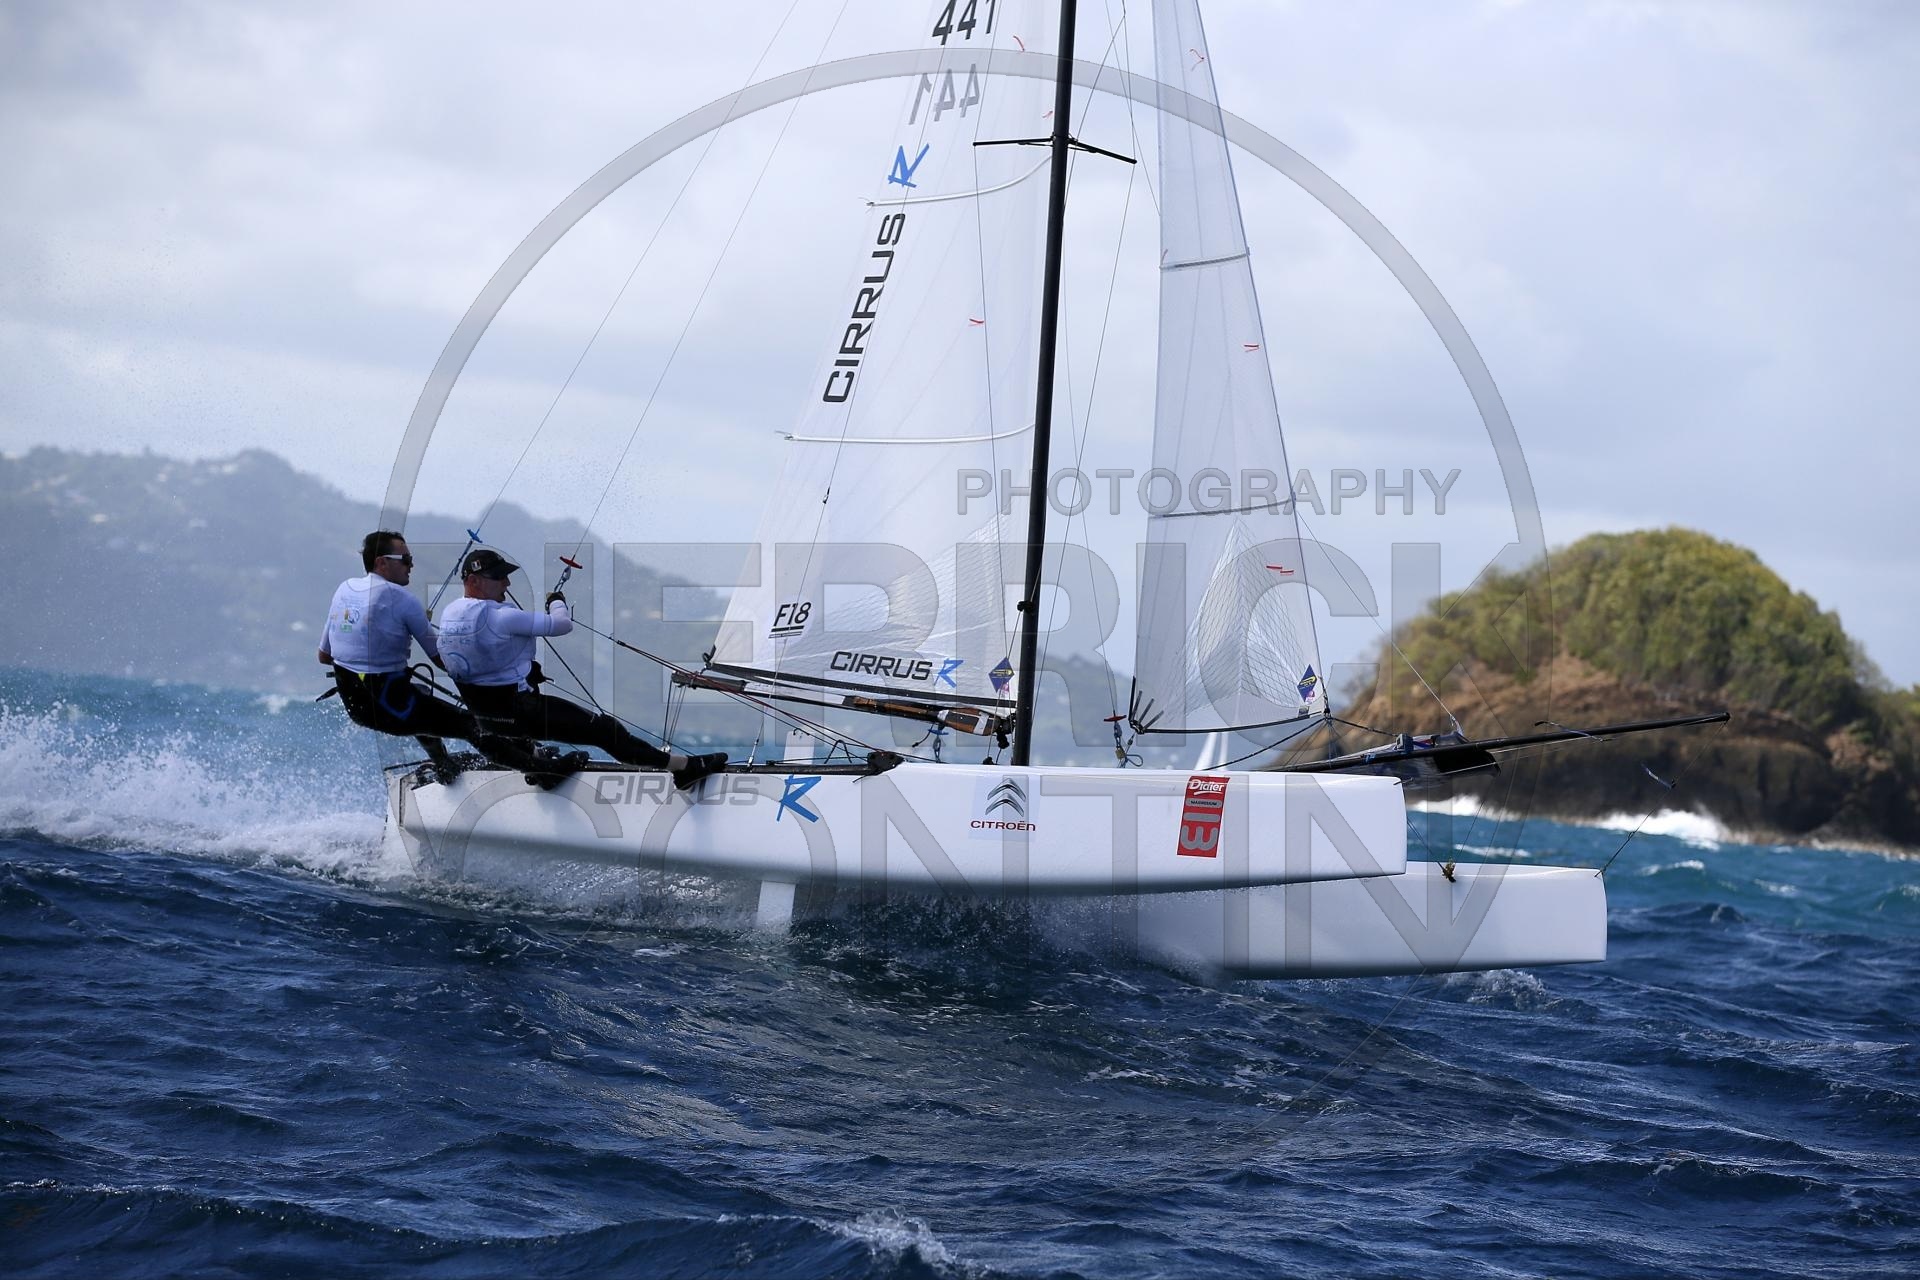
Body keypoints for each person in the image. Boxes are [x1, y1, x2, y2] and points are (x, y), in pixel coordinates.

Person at [436, 548, 727, 789]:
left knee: (526, 723)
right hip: (523, 714)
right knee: (605, 731)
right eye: (499, 577)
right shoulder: (502, 616)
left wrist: (522, 671)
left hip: (489, 720)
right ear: (473, 581)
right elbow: (561, 625)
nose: (506, 584)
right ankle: (684, 768)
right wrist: (557, 602)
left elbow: (468, 660)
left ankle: (541, 770)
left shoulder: (450, 615)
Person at [318, 530, 481, 779]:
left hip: (360, 710)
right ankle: (530, 767)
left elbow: (324, 656)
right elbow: (443, 660)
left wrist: (368, 650)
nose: (411, 566)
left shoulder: (344, 590)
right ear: (381, 562)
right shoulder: (404, 600)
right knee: (473, 725)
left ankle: (443, 764)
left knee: (421, 693)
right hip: (394, 710)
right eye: (405, 559)